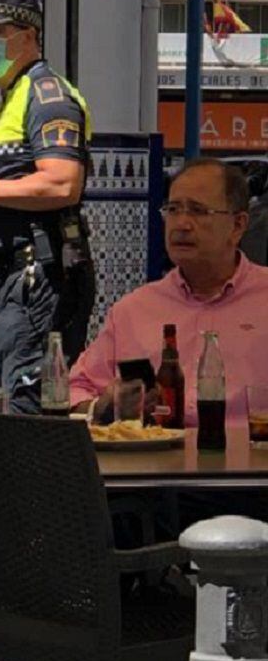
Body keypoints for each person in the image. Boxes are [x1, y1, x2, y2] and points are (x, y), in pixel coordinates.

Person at [70, 158, 268, 528]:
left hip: (252, 485)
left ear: (238, 225)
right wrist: (106, 404)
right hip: (155, 486)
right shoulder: (134, 310)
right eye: (173, 210)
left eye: (197, 210)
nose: (181, 224)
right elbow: (72, 392)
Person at [0, 0, 95, 414]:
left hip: (42, 274)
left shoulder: (49, 97)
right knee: (21, 396)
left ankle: (36, 483)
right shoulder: (10, 99)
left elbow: (62, 184)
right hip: (18, 275)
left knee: (30, 406)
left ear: (28, 36)